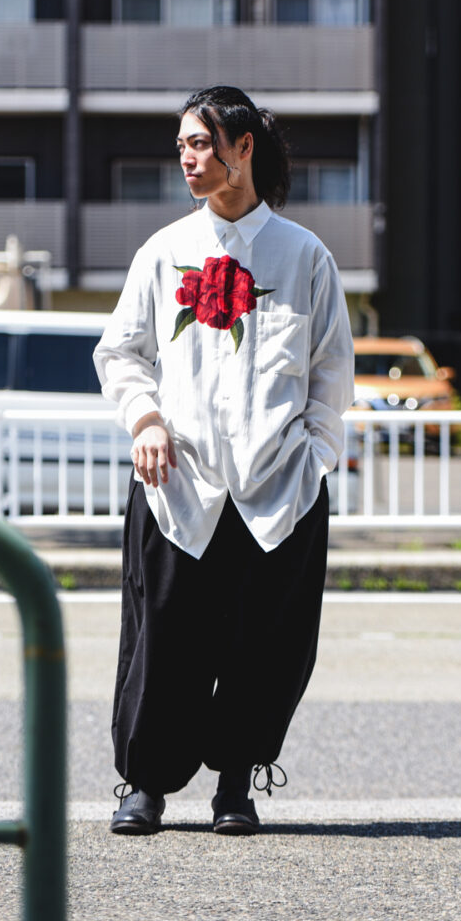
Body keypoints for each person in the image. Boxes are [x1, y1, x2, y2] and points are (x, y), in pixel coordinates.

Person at [93, 85, 354, 836]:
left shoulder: (304, 256)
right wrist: (145, 419)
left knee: (264, 642)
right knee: (163, 636)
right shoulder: (165, 251)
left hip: (279, 488)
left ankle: (236, 785)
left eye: (202, 143)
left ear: (244, 148)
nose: (188, 158)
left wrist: (314, 457)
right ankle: (145, 784)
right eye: (182, 145)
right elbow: (121, 352)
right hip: (179, 485)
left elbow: (332, 372)